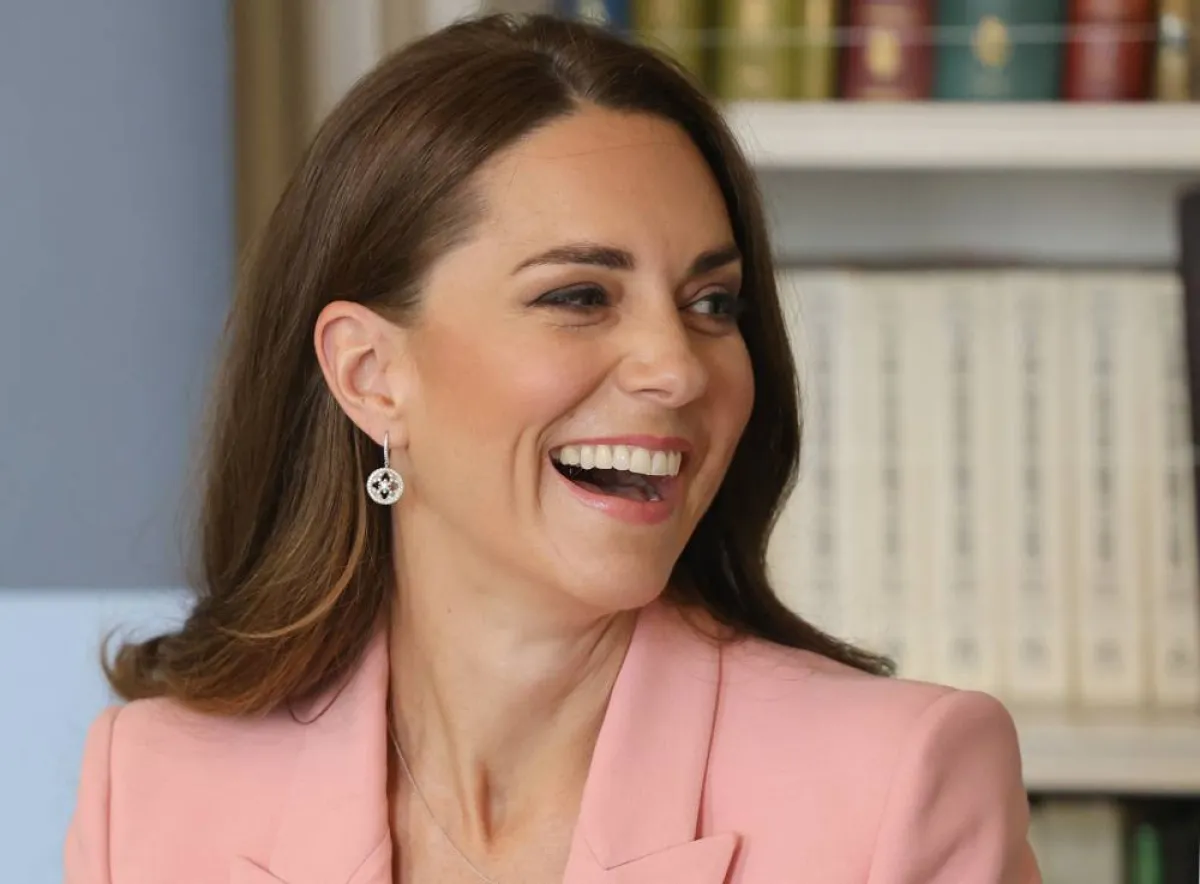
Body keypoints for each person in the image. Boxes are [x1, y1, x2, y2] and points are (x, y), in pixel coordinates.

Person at [64, 12, 1041, 884]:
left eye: (713, 303)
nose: (678, 367)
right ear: (368, 373)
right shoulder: (150, 786)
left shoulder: (897, 783)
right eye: (579, 295)